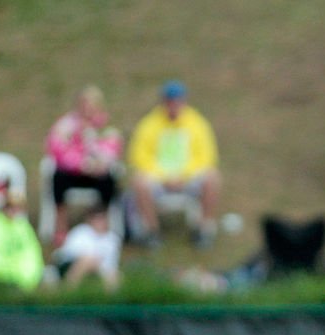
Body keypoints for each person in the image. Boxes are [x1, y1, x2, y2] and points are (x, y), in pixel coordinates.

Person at [128, 80, 221, 248]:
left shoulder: (197, 123)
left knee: (212, 177)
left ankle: (204, 230)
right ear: (163, 102)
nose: (174, 105)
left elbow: (207, 156)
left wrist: (184, 175)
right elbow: (139, 156)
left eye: (178, 101)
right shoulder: (149, 124)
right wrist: (164, 177)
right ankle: (151, 231)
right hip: (159, 179)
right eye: (170, 101)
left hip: (188, 178)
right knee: (139, 181)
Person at [46, 85, 123, 246]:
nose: (87, 109)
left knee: (108, 180)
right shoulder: (66, 125)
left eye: (91, 105)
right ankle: (61, 226)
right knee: (58, 177)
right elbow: (56, 148)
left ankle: (101, 222)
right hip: (72, 172)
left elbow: (112, 149)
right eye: (84, 104)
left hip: (96, 173)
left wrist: (97, 163)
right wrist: (80, 164)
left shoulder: (105, 127)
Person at [0, 189, 44, 292]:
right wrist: (13, 275)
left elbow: (32, 255)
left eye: (18, 207)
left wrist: (23, 277)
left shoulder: (23, 226)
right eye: (10, 206)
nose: (14, 210)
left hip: (22, 284)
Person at [53, 204, 121, 290]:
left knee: (115, 275)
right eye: (97, 218)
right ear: (90, 220)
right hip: (68, 266)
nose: (100, 222)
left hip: (98, 270)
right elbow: (67, 254)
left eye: (102, 218)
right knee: (87, 261)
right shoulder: (80, 232)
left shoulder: (112, 239)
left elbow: (111, 263)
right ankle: (69, 290)